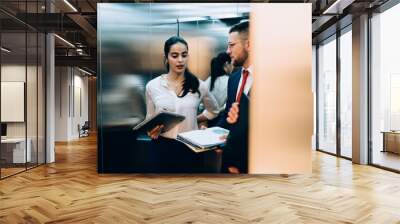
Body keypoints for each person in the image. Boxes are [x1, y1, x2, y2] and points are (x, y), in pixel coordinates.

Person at [145, 36, 219, 173]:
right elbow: (149, 118)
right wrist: (152, 130)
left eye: (184, 55)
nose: (180, 60)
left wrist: (194, 119)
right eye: (174, 55)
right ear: (166, 57)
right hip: (162, 146)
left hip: (191, 146)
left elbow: (213, 111)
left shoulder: (199, 85)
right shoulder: (153, 86)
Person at [217, 21, 252, 174]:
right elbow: (229, 116)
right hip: (229, 161)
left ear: (249, 45)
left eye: (232, 45)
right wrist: (212, 134)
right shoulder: (234, 78)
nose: (228, 50)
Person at [198, 52, 234, 127]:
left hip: (208, 120)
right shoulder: (230, 81)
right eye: (231, 64)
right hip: (224, 120)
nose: (232, 67)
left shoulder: (209, 80)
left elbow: (200, 103)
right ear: (227, 64)